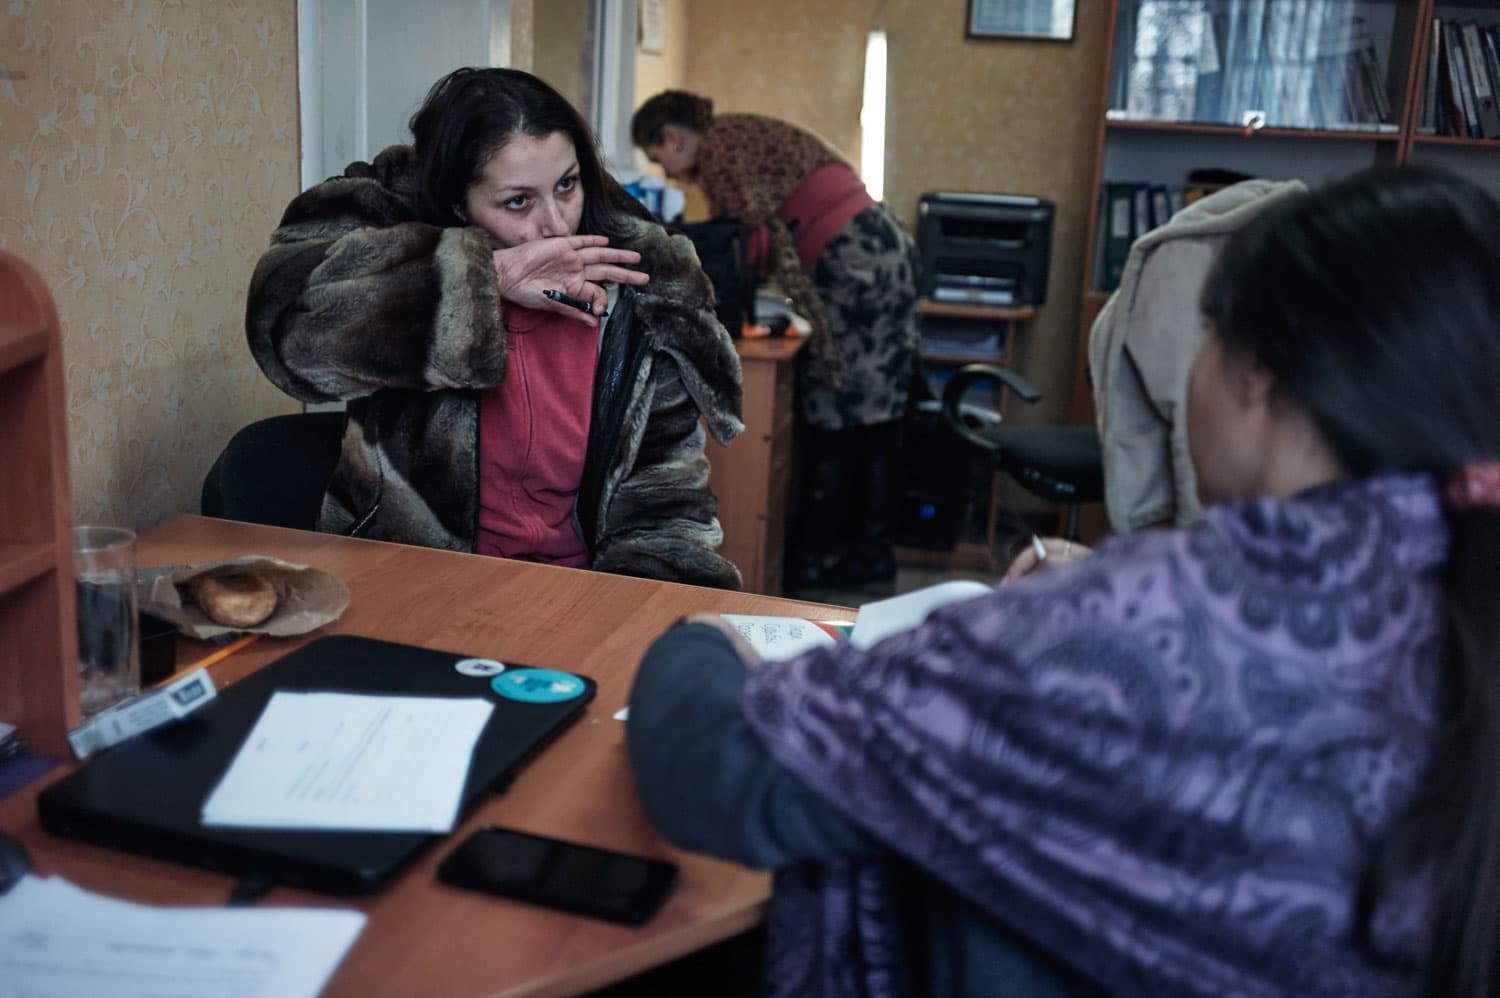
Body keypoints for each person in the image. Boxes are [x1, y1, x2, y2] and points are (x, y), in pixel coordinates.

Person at [625, 164, 1500, 995]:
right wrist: (1117, 591)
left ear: (1259, 373)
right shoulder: (1449, 590)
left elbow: (719, 773)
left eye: (1208, 331)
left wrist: (704, 634)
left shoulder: (1137, 628)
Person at [247, 68, 744, 589]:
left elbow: (665, 504)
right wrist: (487, 276)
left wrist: (622, 610)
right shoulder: (399, 252)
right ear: (458, 204)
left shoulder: (636, 291)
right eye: (518, 202)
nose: (557, 225)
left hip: (578, 592)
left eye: (567, 185)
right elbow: (288, 334)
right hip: (411, 584)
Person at [631, 92, 921, 589]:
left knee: (843, 409)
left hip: (859, 261)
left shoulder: (720, 153)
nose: (670, 176)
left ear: (673, 136)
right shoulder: (735, 134)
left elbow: (748, 243)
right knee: (872, 412)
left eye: (660, 159)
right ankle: (856, 553)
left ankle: (842, 560)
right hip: (877, 247)